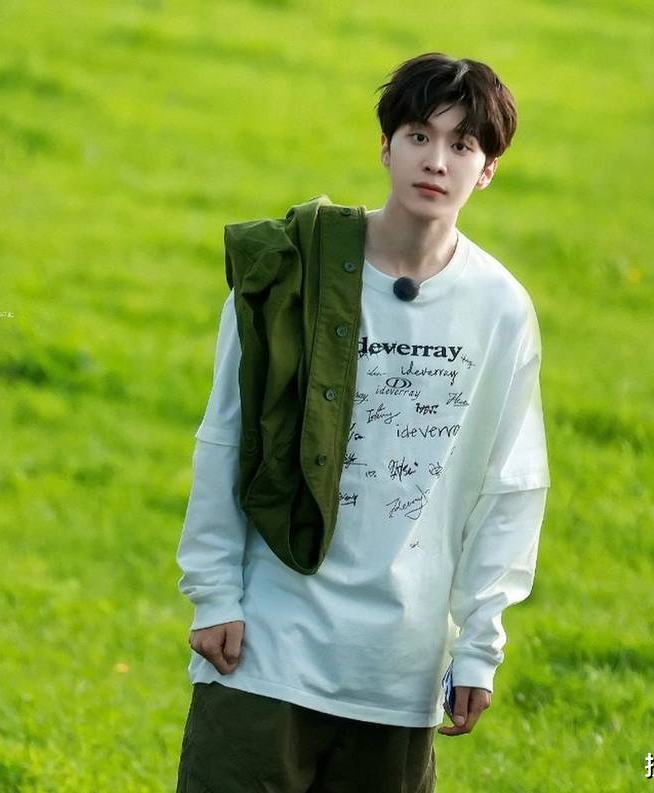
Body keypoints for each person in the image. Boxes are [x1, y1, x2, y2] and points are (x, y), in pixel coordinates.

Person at [175, 51, 551, 793]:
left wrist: (480, 647)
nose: (436, 161)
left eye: (462, 145)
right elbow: (226, 434)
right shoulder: (293, 271)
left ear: (487, 171)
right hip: (267, 645)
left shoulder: (500, 309)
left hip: (398, 667)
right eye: (419, 136)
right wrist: (214, 592)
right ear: (385, 147)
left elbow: (510, 489)